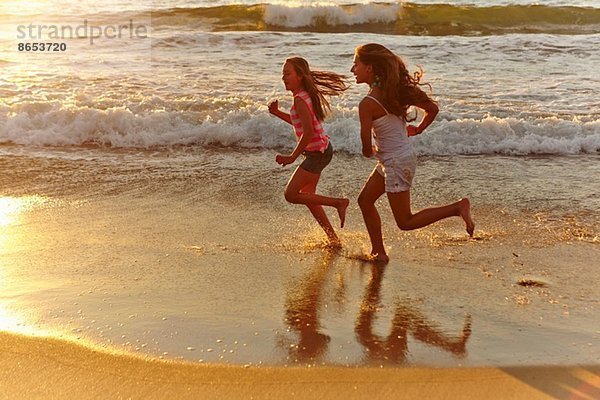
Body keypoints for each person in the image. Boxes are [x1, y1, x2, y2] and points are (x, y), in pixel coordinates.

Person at [351, 43, 474, 263]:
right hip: (397, 158)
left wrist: (368, 150)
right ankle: (378, 252)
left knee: (405, 221)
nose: (353, 70)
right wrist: (417, 129)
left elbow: (365, 146)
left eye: (356, 64)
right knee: (365, 200)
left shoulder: (368, 104)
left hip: (396, 162)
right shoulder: (395, 91)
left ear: (369, 68)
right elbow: (433, 109)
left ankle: (457, 208)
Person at [269, 57, 350, 247]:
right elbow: (299, 123)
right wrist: (277, 113)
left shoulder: (300, 100)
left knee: (290, 194)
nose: (284, 77)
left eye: (288, 73)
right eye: (283, 74)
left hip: (317, 154)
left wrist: (291, 157)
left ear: (300, 76)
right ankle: (333, 239)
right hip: (320, 151)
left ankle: (338, 203)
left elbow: (308, 133)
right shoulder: (303, 96)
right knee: (309, 197)